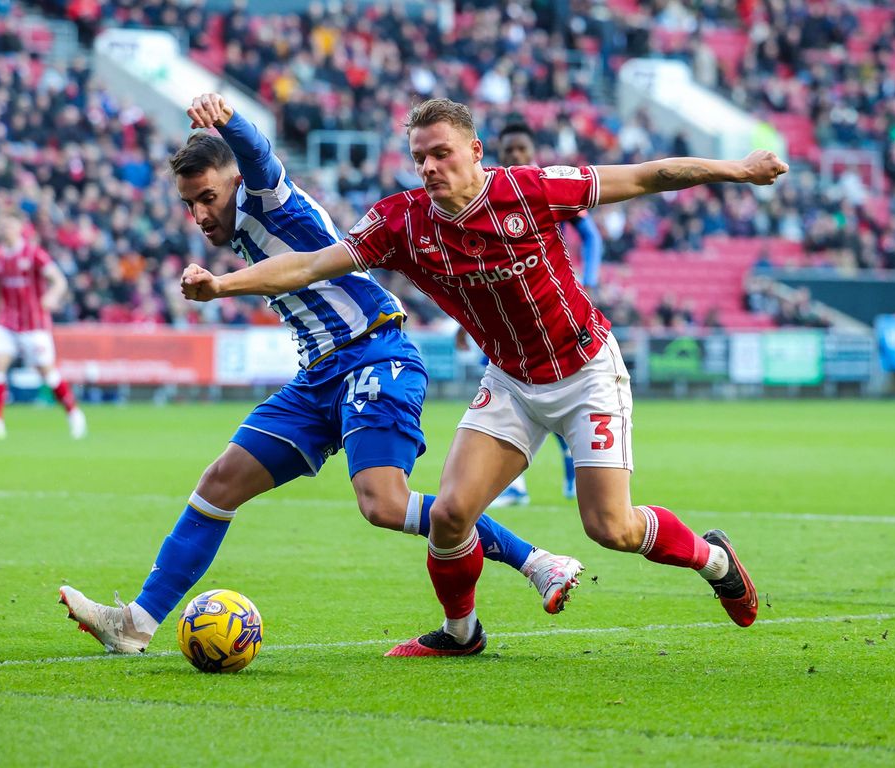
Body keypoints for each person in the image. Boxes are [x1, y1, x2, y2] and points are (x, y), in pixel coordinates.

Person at [179, 98, 785, 657]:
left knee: (611, 528)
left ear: (475, 151)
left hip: (585, 371)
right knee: (449, 514)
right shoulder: (402, 222)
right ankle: (460, 634)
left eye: (441, 153)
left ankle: (713, 561)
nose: (430, 167)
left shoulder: (532, 191)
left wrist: (739, 169)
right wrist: (222, 284)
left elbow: (649, 176)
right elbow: (311, 264)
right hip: (512, 384)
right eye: (419, 157)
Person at [59, 94, 584, 654]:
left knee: (383, 503)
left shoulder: (267, 198)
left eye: (209, 197)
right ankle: (135, 625)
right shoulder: (237, 228)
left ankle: (536, 561)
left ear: (234, 181)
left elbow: (257, 153)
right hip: (319, 378)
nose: (202, 214)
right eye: (191, 205)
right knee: (219, 484)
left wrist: (228, 119)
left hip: (375, 354)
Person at [490, 121, 607, 505]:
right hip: (501, 315)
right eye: (509, 150)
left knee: (550, 393)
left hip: (548, 310)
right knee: (509, 394)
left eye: (522, 149)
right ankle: (518, 485)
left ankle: (564, 476)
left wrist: (588, 281)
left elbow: (591, 236)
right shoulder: (486, 193)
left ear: (533, 151)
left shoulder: (544, 187)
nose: (516, 157)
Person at [0, 211, 86, 440]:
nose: (5, 229)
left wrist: (52, 296)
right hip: (5, 322)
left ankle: (74, 413)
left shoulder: (33, 253)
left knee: (47, 373)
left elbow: (59, 280)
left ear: (20, 227)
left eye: (9, 225)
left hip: (34, 325)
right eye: (2, 225)